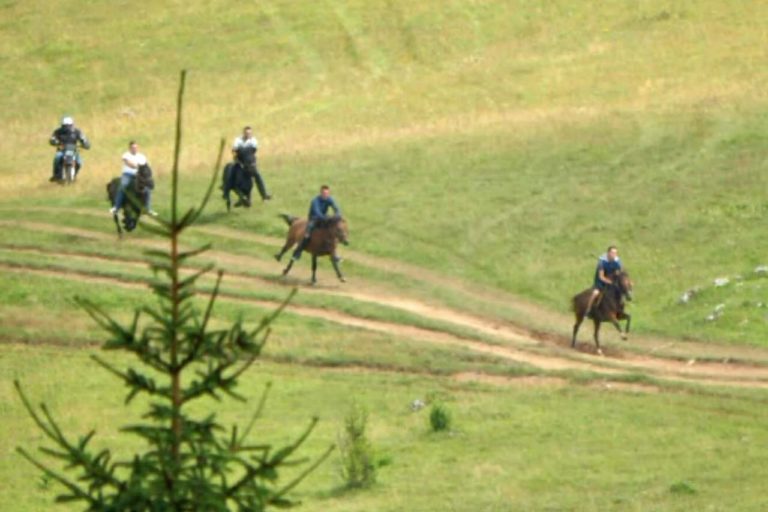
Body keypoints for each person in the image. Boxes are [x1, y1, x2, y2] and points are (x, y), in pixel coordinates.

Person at [292, 185, 342, 261]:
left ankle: (335, 254)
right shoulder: (315, 201)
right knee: (307, 234)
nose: (326, 195)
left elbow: (336, 208)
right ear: (321, 193)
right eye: (324, 193)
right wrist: (326, 218)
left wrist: (337, 215)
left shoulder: (330, 199)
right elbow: (317, 213)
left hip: (324, 218)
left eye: (327, 193)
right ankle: (298, 252)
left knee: (333, 231)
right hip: (314, 219)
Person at [110, 141, 157, 216]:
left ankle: (148, 209)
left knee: (147, 189)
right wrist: (136, 166)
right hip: (127, 175)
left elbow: (146, 166)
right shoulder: (126, 155)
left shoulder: (142, 156)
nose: (134, 149)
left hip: (139, 175)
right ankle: (116, 207)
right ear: (130, 148)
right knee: (123, 186)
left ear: (138, 148)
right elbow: (128, 163)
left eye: (136, 147)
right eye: (132, 147)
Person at [231, 126, 271, 201]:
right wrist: (236, 158)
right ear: (244, 133)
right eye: (247, 133)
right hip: (240, 162)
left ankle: (264, 195)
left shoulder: (253, 140)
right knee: (234, 175)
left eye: (250, 133)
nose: (248, 135)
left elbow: (253, 152)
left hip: (250, 163)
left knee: (258, 175)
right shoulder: (238, 140)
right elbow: (234, 150)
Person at [584, 246, 622, 316]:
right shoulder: (601, 262)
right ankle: (588, 310)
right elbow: (601, 277)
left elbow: (618, 272)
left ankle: (619, 310)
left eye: (615, 253)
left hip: (611, 283)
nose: (614, 255)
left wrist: (616, 274)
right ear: (608, 253)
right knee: (595, 293)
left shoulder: (617, 261)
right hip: (600, 283)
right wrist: (609, 282)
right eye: (612, 253)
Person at [49, 116, 90, 181]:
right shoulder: (58, 132)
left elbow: (83, 139)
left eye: (69, 125)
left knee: (79, 162)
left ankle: (75, 174)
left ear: (72, 125)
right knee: (57, 158)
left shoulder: (77, 132)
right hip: (61, 151)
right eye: (65, 126)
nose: (67, 128)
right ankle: (56, 175)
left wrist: (86, 144)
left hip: (74, 151)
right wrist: (56, 143)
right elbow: (52, 139)